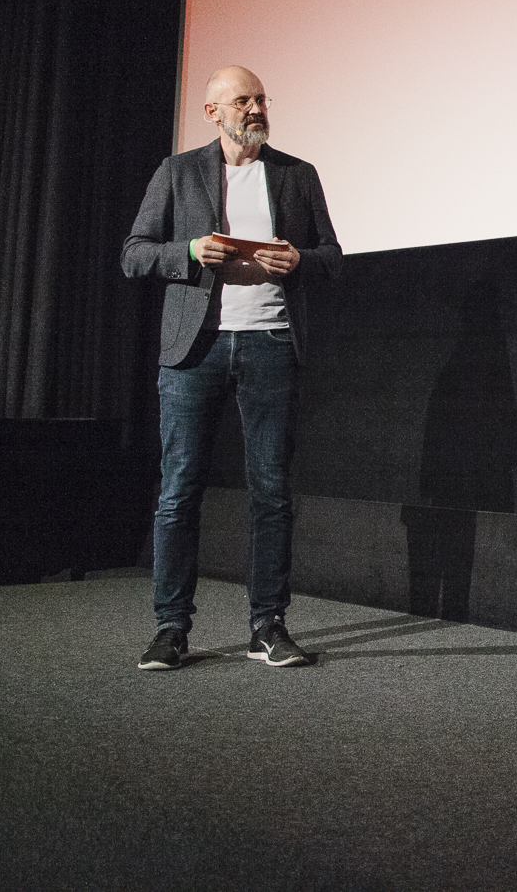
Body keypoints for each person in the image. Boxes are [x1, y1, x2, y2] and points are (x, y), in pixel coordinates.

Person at [121, 66, 342, 671]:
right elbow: (134, 254)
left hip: (270, 343)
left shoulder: (296, 174)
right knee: (179, 490)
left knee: (271, 491)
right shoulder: (177, 172)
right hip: (195, 351)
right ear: (212, 112)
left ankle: (268, 626)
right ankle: (171, 629)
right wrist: (190, 251)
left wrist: (300, 260)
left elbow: (332, 256)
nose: (255, 108)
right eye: (242, 100)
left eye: (260, 98)